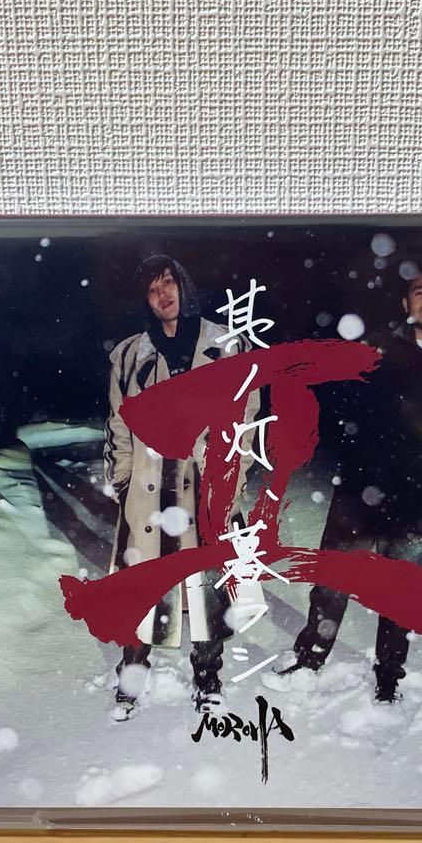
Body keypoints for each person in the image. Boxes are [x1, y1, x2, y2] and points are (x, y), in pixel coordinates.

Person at [264, 266, 422, 703]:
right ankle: (309, 660)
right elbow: (340, 409)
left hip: (417, 497)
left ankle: (389, 677)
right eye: (419, 292)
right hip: (359, 489)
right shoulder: (377, 350)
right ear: (406, 301)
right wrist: (356, 452)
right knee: (331, 579)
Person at [104, 254, 256, 721]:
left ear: (185, 286)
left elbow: (246, 422)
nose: (162, 294)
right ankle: (132, 674)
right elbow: (119, 422)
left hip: (205, 487)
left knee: (207, 589)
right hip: (148, 489)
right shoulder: (129, 354)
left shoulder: (226, 346)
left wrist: (231, 481)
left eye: (168, 283)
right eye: (152, 289)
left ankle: (208, 679)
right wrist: (123, 479)